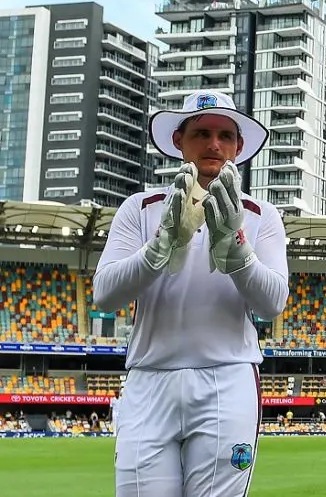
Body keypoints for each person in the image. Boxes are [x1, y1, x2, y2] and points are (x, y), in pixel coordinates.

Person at [93, 90, 289, 497]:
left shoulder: (260, 216)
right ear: (179, 141)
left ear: (238, 147)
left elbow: (272, 303)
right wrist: (160, 246)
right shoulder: (141, 208)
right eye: (201, 133)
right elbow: (104, 296)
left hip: (227, 377)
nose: (213, 144)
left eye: (224, 135)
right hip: (150, 378)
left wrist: (236, 253)